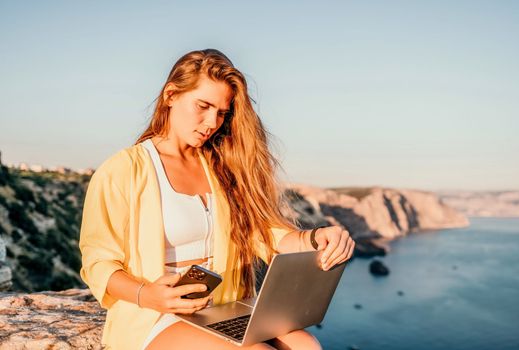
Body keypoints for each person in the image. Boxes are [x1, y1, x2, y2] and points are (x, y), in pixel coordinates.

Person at [79, 48, 355, 350]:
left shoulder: (221, 167)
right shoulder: (123, 169)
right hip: (155, 316)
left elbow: (262, 235)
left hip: (224, 308)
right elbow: (98, 262)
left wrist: (317, 239)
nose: (212, 122)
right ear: (171, 95)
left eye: (222, 112)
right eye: (203, 106)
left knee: (307, 346)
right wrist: (147, 294)